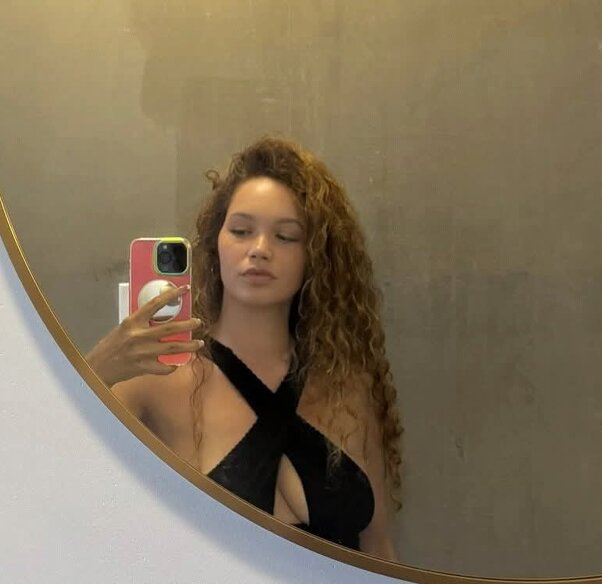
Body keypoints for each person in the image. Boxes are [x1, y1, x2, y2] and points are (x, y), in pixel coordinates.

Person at [86, 136, 402, 559]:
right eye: (241, 231)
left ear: (315, 256)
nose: (259, 250)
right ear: (215, 243)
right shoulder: (156, 381)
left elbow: (377, 549)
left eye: (286, 236)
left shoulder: (349, 388)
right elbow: (51, 489)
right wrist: (97, 370)